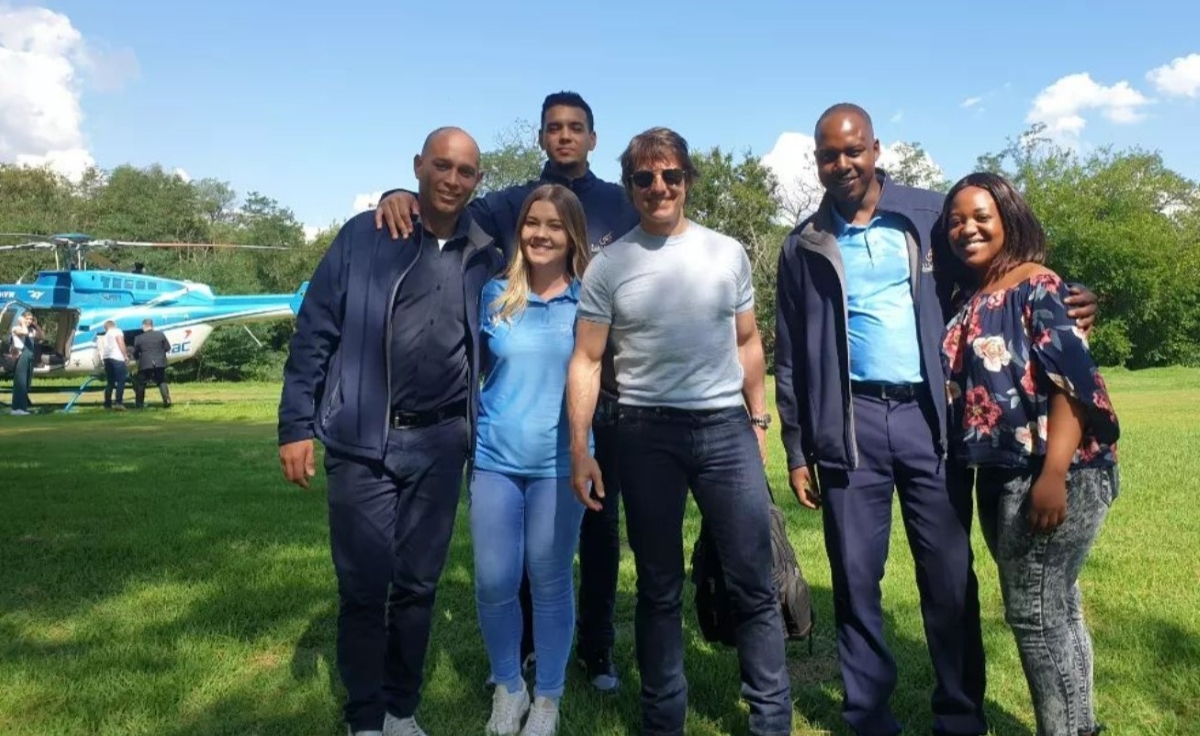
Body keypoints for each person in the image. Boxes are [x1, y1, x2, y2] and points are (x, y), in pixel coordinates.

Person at [773, 103, 1099, 736]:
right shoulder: (804, 242)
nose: (842, 164)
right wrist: (794, 445)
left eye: (853, 150)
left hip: (934, 419)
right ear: (816, 161)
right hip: (850, 424)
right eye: (828, 155)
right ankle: (868, 716)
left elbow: (998, 266)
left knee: (949, 576)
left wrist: (1068, 293)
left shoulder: (927, 215)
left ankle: (958, 716)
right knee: (857, 578)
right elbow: (790, 349)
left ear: (875, 149)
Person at [375, 91, 636, 691]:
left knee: (597, 535)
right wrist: (400, 195)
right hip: (520, 416)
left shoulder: (621, 206)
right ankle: (522, 653)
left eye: (575, 128)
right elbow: (447, 208)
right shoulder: (510, 203)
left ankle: (596, 650)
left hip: (606, 398)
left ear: (592, 138)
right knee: (525, 552)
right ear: (542, 137)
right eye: (554, 128)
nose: (564, 137)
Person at [277, 126, 504, 736]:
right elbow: (315, 330)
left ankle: (401, 709)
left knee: (418, 586)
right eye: (441, 166)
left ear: (477, 181)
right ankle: (365, 719)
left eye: (465, 171)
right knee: (363, 587)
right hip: (361, 443)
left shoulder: (487, 253)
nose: (452, 179)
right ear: (418, 167)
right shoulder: (367, 235)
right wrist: (294, 424)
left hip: (440, 443)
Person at [567, 126, 792, 736]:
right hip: (645, 435)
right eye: (644, 177)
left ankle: (772, 720)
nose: (658, 187)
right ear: (630, 186)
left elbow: (748, 342)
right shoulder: (609, 265)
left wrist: (759, 421)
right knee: (658, 587)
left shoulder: (727, 253)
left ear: (688, 180)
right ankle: (663, 721)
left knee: (752, 578)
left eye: (670, 175)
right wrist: (581, 446)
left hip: (725, 431)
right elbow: (587, 360)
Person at [939, 172, 1118, 736]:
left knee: (1037, 616)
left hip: (1050, 473)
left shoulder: (1037, 286)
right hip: (1001, 475)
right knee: (1055, 609)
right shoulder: (974, 294)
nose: (967, 228)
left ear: (1008, 219)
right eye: (956, 221)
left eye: (981, 217)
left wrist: (1054, 473)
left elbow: (1072, 384)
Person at [471, 184, 591, 736]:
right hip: (495, 459)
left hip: (559, 466)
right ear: (520, 230)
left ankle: (547, 699)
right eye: (532, 223)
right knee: (494, 581)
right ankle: (508, 688)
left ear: (572, 236)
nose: (542, 234)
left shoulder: (591, 299)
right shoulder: (493, 293)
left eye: (555, 226)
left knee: (549, 581)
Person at [132, 318, 173, 408]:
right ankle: (167, 400)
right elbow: (167, 348)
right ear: (152, 325)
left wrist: (137, 358)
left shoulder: (138, 338)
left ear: (143, 326)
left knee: (141, 383)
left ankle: (139, 404)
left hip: (145, 363)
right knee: (161, 381)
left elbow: (135, 352)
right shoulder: (160, 335)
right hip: (159, 362)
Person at [8, 311, 37, 415]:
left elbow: (41, 336)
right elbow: (24, 332)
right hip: (21, 355)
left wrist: (36, 325)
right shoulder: (16, 328)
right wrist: (22, 322)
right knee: (20, 382)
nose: (29, 321)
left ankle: (22, 407)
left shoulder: (31, 330)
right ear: (22, 318)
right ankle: (17, 408)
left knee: (26, 383)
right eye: (27, 318)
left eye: (31, 319)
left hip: (29, 356)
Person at [99, 319, 128, 411]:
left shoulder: (106, 335)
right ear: (114, 325)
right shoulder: (117, 331)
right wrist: (125, 355)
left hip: (107, 358)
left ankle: (107, 403)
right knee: (121, 380)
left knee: (110, 382)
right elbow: (120, 341)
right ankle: (118, 402)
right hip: (117, 357)